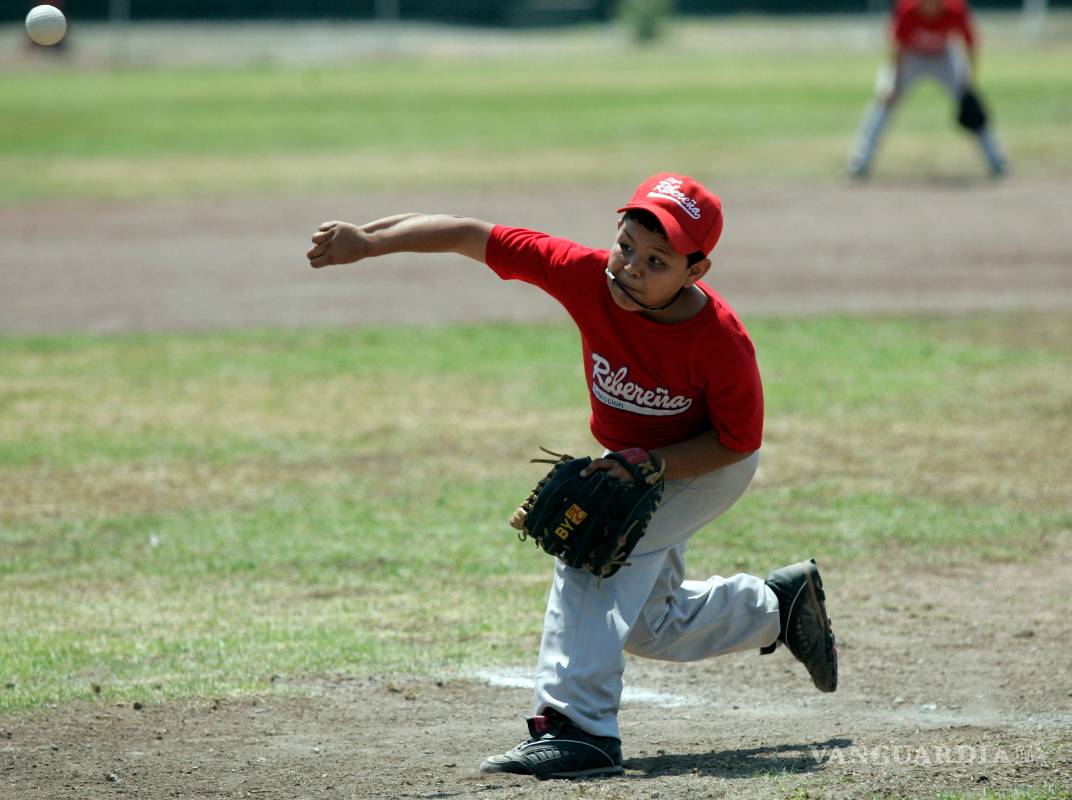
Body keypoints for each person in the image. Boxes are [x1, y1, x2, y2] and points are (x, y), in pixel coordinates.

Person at [306, 173, 838, 780]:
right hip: (635, 459)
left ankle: (578, 728)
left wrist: (652, 465)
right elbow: (468, 235)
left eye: (657, 261)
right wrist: (367, 241)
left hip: (705, 464)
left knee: (592, 551)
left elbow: (736, 442)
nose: (632, 267)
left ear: (697, 271)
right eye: (627, 246)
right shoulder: (582, 275)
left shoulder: (719, 341)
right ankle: (776, 607)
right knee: (647, 626)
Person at [848, 0, 1008, 179]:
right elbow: (898, 47)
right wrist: (894, 84)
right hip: (910, 57)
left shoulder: (955, 8)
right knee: (884, 100)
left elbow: (970, 43)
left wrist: (969, 81)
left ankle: (996, 160)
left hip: (944, 56)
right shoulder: (906, 8)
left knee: (972, 106)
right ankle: (859, 161)